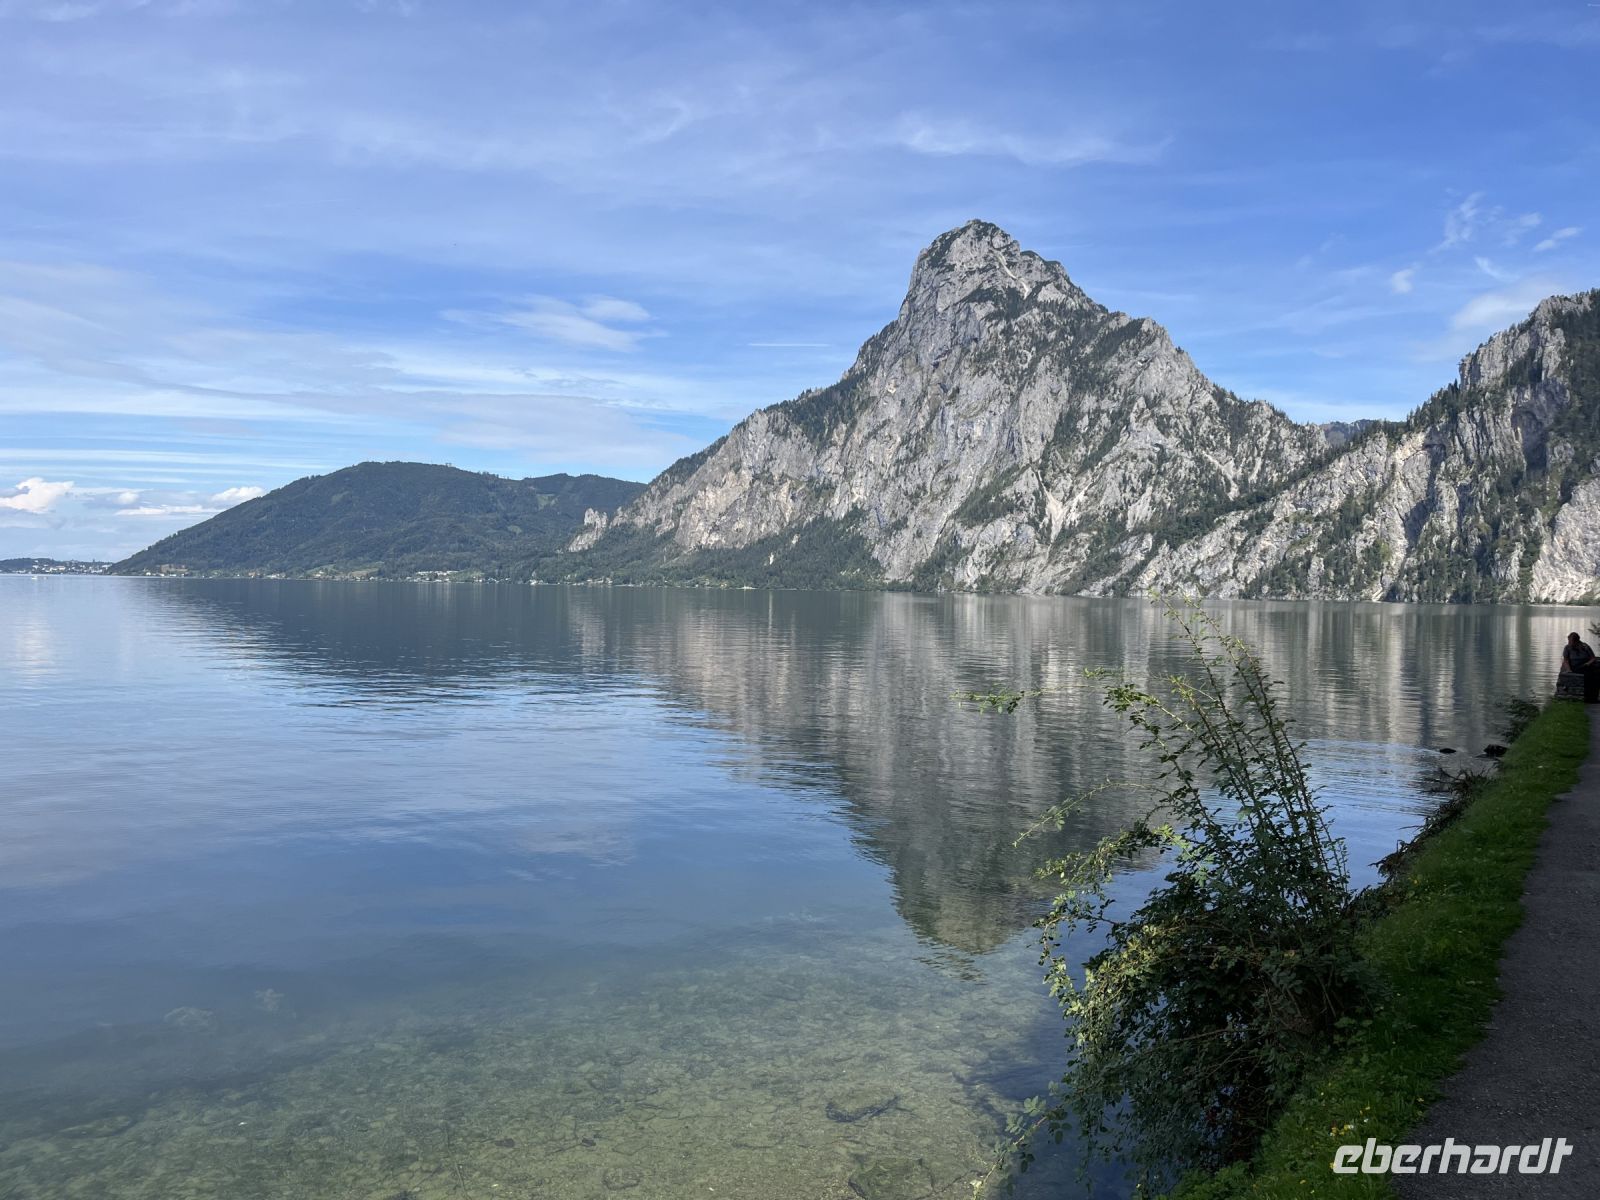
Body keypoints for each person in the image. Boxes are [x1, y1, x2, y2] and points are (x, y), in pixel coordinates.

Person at [1561, 632, 1600, 702]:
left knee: (1592, 678)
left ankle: (1591, 698)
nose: (1569, 643)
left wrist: (1588, 663)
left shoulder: (1585, 646)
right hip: (1574, 667)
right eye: (1568, 640)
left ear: (1576, 641)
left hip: (1585, 667)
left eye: (1570, 641)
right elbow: (1566, 660)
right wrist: (1569, 669)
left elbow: (1593, 658)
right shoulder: (1567, 648)